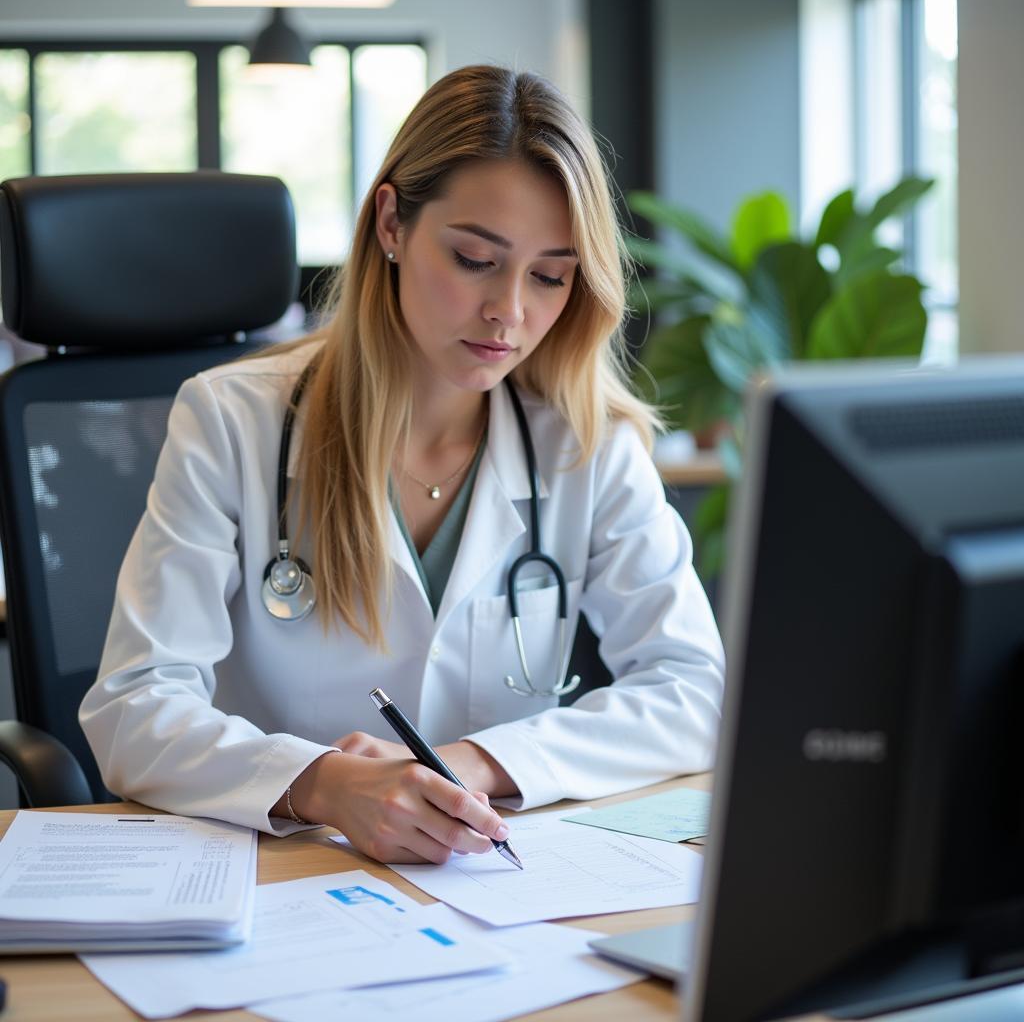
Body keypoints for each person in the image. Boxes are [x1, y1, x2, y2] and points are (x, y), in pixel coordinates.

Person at [79, 64, 725, 865]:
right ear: (392, 222)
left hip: (489, 876)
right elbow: (135, 707)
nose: (510, 312)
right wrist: (324, 783)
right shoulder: (234, 419)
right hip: (291, 872)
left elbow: (694, 691)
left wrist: (469, 766)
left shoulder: (586, 443)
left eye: (551, 276)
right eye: (474, 259)